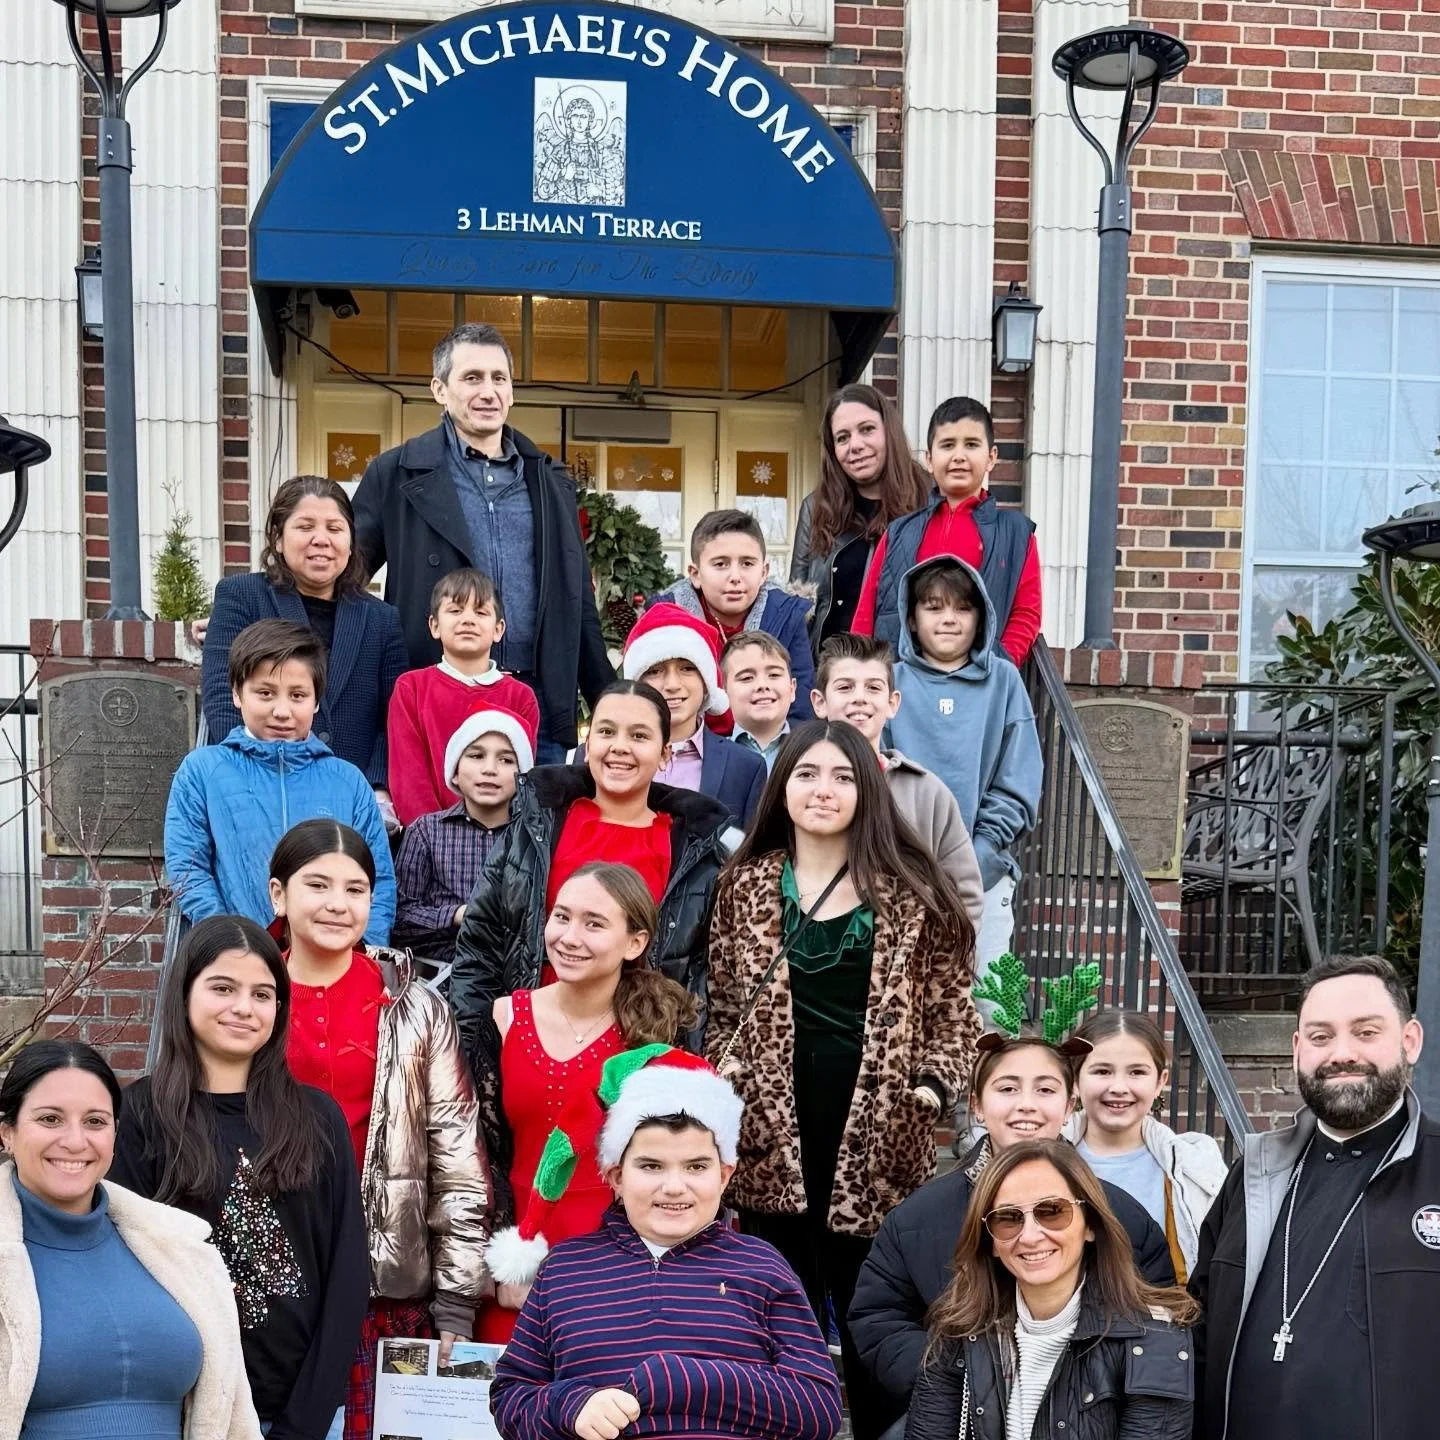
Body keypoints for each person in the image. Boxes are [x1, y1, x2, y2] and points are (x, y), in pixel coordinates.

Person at [704, 718, 979, 1440]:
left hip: (882, 1137)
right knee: (776, 1322)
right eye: (805, 774)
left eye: (842, 776)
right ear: (781, 786)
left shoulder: (917, 892)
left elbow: (955, 1015)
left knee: (880, 1325)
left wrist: (934, 1085)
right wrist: (729, 1070)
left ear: (869, 791)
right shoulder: (744, 886)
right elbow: (724, 1005)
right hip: (773, 1134)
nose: (822, 790)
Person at [490, 1047, 843, 1440]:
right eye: (651, 1166)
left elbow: (819, 1408)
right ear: (615, 1176)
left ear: (725, 1175)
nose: (674, 1187)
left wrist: (688, 1379)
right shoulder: (565, 1270)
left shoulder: (762, 1266)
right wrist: (571, 1407)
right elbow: (510, 1398)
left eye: (696, 1166)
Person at [268, 819, 491, 1440]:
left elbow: (457, 1155)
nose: (338, 905)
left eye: (356, 889)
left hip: (384, 1285)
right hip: (270, 1278)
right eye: (318, 885)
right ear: (278, 895)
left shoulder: (415, 1006)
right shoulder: (249, 997)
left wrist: (456, 1298)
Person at [111, 916, 369, 1440]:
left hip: (301, 1408)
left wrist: (305, 1422)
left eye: (263, 993)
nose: (244, 1008)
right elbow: (125, 1276)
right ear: (184, 993)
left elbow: (347, 1274)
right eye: (223, 988)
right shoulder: (137, 1116)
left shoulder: (317, 1118)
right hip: (178, 1408)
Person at [849, 1032, 1176, 1439]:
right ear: (978, 1106)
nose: (1026, 1104)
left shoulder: (1118, 1215)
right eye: (1007, 1088)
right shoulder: (917, 1217)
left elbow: (1155, 1316)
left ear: (1069, 1105)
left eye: (1045, 1089)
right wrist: (956, 1379)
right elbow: (878, 1316)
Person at [1190, 953, 1440, 1440]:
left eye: (1366, 1032)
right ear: (1297, 1048)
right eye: (1321, 1036)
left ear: (1410, 1042)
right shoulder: (1254, 1176)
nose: (1341, 1053)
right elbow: (1199, 1327)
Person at [353, 322, 612, 761]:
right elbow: (342, 576)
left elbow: (576, 600)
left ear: (511, 392)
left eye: (499, 378)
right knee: (442, 829)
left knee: (534, 830)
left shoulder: (550, 481)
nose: (488, 391)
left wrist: (608, 700)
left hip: (536, 701)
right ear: (440, 389)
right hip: (436, 694)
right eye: (472, 378)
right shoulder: (396, 473)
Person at [451, 680, 733, 1069]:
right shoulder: (539, 826)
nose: (619, 746)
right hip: (528, 1049)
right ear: (587, 744)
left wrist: (681, 1066)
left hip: (640, 1059)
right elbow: (480, 942)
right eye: (606, 731)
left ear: (665, 753)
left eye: (639, 735)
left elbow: (704, 975)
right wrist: (475, 1049)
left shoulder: (695, 851)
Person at [474, 864, 698, 1342]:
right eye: (561, 917)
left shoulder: (655, 1034)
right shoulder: (505, 1016)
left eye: (594, 923)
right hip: (523, 1253)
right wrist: (501, 1259)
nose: (570, 937)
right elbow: (482, 1151)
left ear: (634, 943)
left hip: (627, 1257)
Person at [0, 1039, 260, 1440]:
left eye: (95, 1122)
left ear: (115, 1134)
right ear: (8, 1133)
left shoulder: (182, 1250)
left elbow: (235, 1421)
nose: (74, 1141)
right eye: (50, 1119)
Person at [905, 1139, 1196, 1440]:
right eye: (1008, 1218)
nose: (1030, 1236)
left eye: (1052, 1211)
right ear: (990, 1241)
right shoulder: (959, 1329)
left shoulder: (1156, 1339)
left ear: (1090, 1224)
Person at [165, 619, 397, 944]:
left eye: (298, 695)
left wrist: (366, 953)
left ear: (316, 701)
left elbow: (379, 879)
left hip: (336, 970)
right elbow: (188, 870)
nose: (282, 711)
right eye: (265, 693)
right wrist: (229, 944)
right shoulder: (204, 771)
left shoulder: (347, 781)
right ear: (236, 694)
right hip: (241, 966)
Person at [202, 476, 409, 809]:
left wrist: (377, 785)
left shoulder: (381, 619)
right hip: (257, 791)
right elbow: (222, 696)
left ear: (352, 541)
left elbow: (394, 716)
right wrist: (256, 772)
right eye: (305, 526)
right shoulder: (241, 596)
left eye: (334, 528)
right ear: (279, 539)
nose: (321, 540)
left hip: (350, 797)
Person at [887, 557, 1041, 993]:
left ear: (981, 618)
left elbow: (1018, 781)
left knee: (989, 1006)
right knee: (905, 1001)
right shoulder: (890, 680)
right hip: (900, 875)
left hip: (983, 874)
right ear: (912, 619)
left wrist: (976, 856)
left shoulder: (1004, 682)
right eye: (933, 607)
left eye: (962, 608)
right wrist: (906, 861)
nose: (949, 619)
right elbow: (878, 772)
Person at [809, 631, 984, 930]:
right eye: (845, 687)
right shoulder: (798, 787)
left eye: (873, 687)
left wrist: (940, 969)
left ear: (893, 703)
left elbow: (964, 895)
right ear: (819, 702)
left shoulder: (927, 793)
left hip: (903, 968)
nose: (860, 698)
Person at [852, 395, 1041, 666]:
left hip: (980, 685)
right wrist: (866, 671)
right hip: (902, 684)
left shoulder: (1016, 534)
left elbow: (1026, 613)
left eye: (972, 445)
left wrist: (1000, 664)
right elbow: (866, 611)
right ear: (930, 459)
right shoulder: (899, 532)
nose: (959, 456)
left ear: (991, 458)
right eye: (948, 445)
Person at [1064, 1009, 1227, 1283]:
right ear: (1076, 1080)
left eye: (1137, 1072)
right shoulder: (1046, 1161)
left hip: (1164, 1318)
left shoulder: (1195, 1165)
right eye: (1102, 1071)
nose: (1118, 1087)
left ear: (1160, 1082)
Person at [386, 568, 540, 827]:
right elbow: (409, 778)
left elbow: (519, 775)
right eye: (455, 611)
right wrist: (433, 836)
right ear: (434, 625)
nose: (468, 620)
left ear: (498, 629)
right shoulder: (411, 688)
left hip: (499, 839)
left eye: (481, 612)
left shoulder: (520, 697)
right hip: (430, 838)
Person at [393, 706, 536, 968]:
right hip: (440, 976)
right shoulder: (426, 832)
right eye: (476, 756)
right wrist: (459, 914)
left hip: (516, 977)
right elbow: (400, 919)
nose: (490, 769)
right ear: (455, 772)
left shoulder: (533, 838)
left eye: (506, 760)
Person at [790, 385, 929, 653]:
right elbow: (799, 600)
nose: (855, 446)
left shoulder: (928, 500)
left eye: (867, 429)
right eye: (842, 438)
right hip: (830, 671)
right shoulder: (816, 507)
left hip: (903, 672)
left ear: (889, 431)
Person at [648, 508, 814, 719]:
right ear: (696, 574)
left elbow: (800, 705)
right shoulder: (667, 619)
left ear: (763, 573)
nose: (735, 576)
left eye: (747, 563)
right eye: (720, 564)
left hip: (770, 744)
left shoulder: (786, 616)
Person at [619, 601, 766, 825]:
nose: (672, 684)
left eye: (687, 668)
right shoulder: (602, 755)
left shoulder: (745, 766)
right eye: (655, 671)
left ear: (706, 681)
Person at [721, 631, 797, 772]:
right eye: (746, 678)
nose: (762, 685)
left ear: (792, 689)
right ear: (725, 693)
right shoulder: (711, 758)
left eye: (774, 675)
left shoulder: (814, 751)